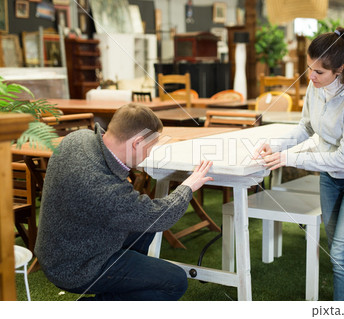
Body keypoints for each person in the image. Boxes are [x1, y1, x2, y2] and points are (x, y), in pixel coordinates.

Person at [35, 103, 213, 301]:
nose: (149, 154)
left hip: (61, 247)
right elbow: (158, 217)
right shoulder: (102, 186)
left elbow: (141, 214)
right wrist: (188, 187)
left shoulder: (77, 138)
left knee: (144, 227)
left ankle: (120, 289)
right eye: (150, 147)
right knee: (175, 282)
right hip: (76, 267)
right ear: (136, 143)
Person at [254, 27, 344, 301]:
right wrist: (276, 147)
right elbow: (307, 126)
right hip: (330, 176)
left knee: (341, 252)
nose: (310, 77)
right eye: (309, 68)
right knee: (338, 248)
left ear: (341, 69)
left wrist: (289, 158)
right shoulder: (316, 88)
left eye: (319, 72)